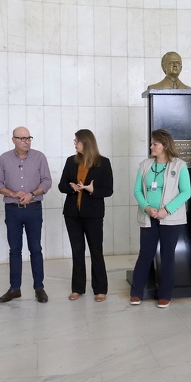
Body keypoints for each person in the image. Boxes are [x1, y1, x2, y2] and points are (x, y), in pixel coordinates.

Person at [130, 129, 191, 308]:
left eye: (154, 144)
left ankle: (165, 294)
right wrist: (147, 208)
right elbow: (137, 190)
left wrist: (167, 210)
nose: (151, 146)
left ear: (164, 145)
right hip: (149, 217)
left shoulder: (179, 165)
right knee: (145, 254)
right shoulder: (144, 165)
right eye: (151, 143)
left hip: (170, 219)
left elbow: (186, 192)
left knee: (167, 256)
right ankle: (136, 292)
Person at [0, 126, 52, 303]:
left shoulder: (39, 157)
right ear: (13, 140)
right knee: (15, 250)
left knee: (35, 249)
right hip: (12, 210)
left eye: (29, 138)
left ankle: (39, 287)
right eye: (22, 138)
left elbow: (47, 181)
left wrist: (32, 194)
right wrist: (12, 194)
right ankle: (14, 288)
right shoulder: (4, 159)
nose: (27, 141)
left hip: (33, 208)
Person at [58, 129, 114, 301]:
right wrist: (72, 186)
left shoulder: (103, 163)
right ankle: (77, 288)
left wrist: (92, 190)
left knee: (96, 251)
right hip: (72, 214)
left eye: (77, 141)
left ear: (86, 142)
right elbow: (61, 185)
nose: (75, 144)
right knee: (77, 251)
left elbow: (108, 190)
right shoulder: (70, 161)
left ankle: (100, 289)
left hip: (93, 215)